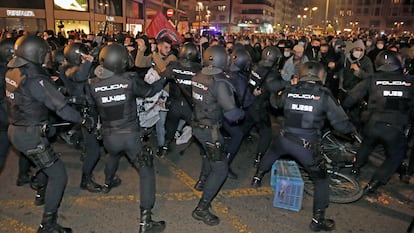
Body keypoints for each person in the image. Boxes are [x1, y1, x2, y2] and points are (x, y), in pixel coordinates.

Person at [251, 61, 356, 232]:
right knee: (321, 180)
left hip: (284, 139)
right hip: (306, 146)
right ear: (321, 75)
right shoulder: (324, 95)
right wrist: (352, 131)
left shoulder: (291, 90)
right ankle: (317, 220)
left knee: (271, 153)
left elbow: (275, 103)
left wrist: (280, 91)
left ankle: (257, 177)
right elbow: (341, 124)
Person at [5, 35, 92, 233]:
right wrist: (83, 120)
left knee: (45, 162)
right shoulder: (36, 79)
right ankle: (48, 224)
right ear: (36, 54)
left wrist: (58, 91)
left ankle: (40, 192)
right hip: (30, 135)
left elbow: (30, 95)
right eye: (44, 53)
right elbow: (61, 110)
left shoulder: (13, 71)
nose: (47, 56)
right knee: (59, 175)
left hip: (17, 130)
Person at [89, 43, 166, 233]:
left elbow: (92, 108)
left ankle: (108, 183)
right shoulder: (129, 79)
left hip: (108, 136)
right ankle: (145, 222)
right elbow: (149, 91)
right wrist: (165, 78)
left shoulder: (92, 83)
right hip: (130, 136)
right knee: (146, 170)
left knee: (112, 156)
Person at [343, 50, 414, 194]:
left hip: (373, 123)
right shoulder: (410, 81)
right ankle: (374, 183)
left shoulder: (373, 79)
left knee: (367, 144)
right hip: (396, 127)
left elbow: (351, 99)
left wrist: (347, 108)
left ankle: (355, 167)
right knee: (396, 156)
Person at [191, 45, 244, 226]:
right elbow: (232, 114)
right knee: (221, 169)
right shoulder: (220, 82)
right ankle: (202, 208)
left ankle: (202, 180)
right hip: (210, 131)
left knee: (207, 154)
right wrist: (241, 112)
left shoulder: (198, 75)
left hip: (197, 125)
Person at [60, 42, 102, 193]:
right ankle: (86, 180)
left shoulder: (69, 67)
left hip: (87, 108)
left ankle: (82, 145)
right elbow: (80, 76)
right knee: (94, 151)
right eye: (82, 56)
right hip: (86, 111)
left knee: (90, 141)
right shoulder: (69, 70)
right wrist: (89, 61)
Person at [243, 46, 287, 167]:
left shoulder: (256, 66)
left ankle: (230, 146)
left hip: (249, 103)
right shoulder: (272, 73)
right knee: (267, 133)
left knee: (246, 126)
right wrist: (288, 82)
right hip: (260, 106)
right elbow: (275, 86)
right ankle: (259, 158)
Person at [135, 36, 177, 157]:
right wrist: (141, 50)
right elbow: (139, 63)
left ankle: (161, 145)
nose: (168, 49)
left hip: (164, 94)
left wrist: (154, 54)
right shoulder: (155, 56)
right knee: (146, 116)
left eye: (169, 47)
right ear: (159, 46)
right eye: (165, 47)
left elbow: (163, 69)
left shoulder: (172, 58)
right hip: (152, 93)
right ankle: (147, 134)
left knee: (161, 121)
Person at [160, 42, 202, 154]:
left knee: (170, 127)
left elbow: (161, 77)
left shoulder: (173, 66)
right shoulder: (199, 69)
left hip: (175, 104)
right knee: (200, 130)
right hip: (190, 106)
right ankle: (204, 150)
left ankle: (165, 147)